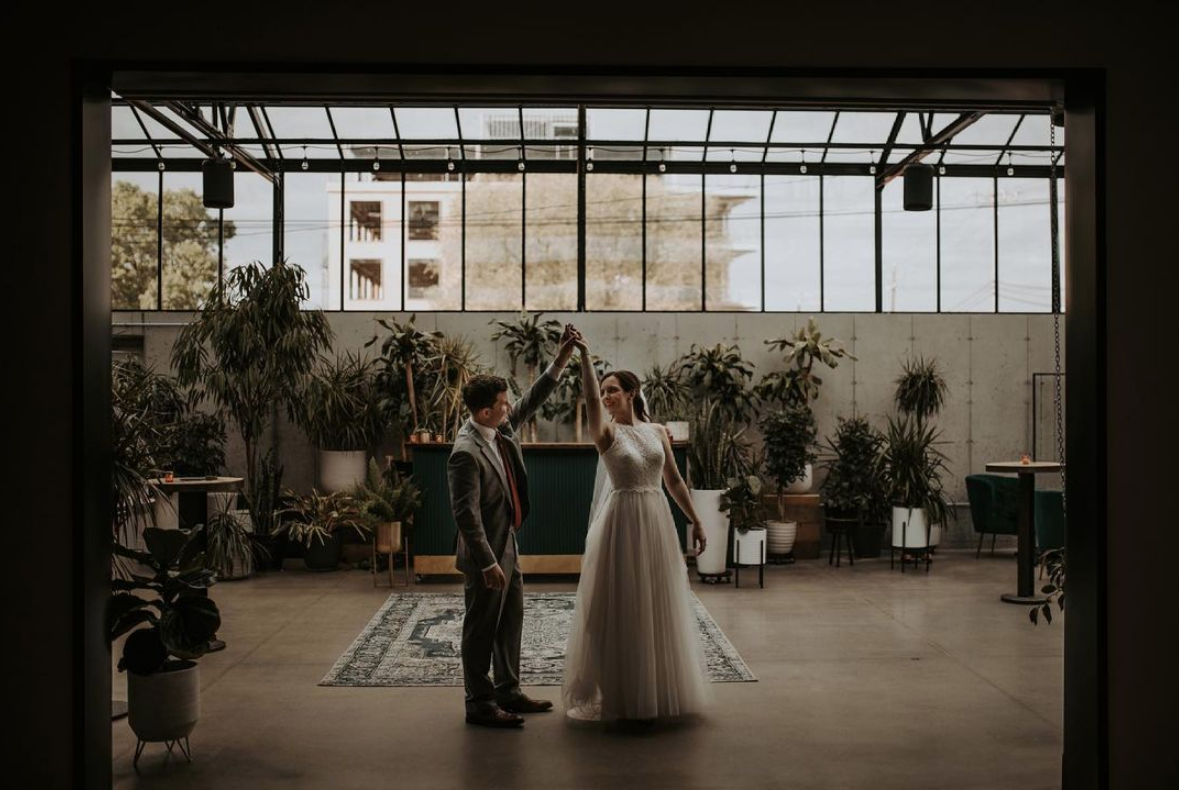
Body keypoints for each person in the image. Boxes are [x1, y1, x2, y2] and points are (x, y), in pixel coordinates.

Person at [561, 335, 712, 723]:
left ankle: (660, 687)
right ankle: (621, 692)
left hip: (657, 520)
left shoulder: (658, 432)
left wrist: (696, 520)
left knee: (657, 603)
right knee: (620, 606)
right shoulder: (606, 433)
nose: (607, 396)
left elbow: (675, 482)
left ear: (632, 393)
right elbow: (592, 402)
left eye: (614, 390)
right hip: (622, 522)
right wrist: (585, 357)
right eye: (605, 391)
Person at [447, 324, 581, 728]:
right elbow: (465, 515)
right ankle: (479, 704)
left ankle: (508, 689)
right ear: (485, 411)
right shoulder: (465, 453)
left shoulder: (499, 428)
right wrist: (488, 564)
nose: (510, 407)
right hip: (485, 553)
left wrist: (561, 358)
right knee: (480, 627)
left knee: (511, 620)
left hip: (509, 541)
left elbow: (532, 399)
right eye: (503, 404)